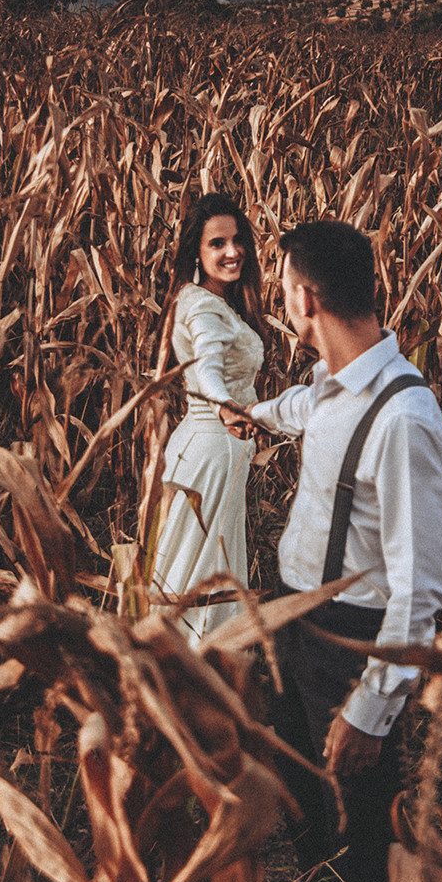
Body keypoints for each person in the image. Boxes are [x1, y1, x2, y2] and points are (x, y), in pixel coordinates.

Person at [220, 220, 442, 882]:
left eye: (284, 286)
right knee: (310, 821)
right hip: (296, 629)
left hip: (349, 647)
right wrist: (252, 416)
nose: (281, 297)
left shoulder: (405, 419)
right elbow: (303, 408)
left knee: (361, 844)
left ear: (305, 296)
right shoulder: (334, 382)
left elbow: (420, 590)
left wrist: (372, 708)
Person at [152, 193, 267, 639]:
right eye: (216, 243)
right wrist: (225, 404)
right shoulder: (201, 306)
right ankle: (198, 668)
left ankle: (179, 667)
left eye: (237, 241)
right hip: (212, 454)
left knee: (193, 562)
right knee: (202, 572)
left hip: (207, 450)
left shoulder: (212, 301)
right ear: (196, 252)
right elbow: (207, 367)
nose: (231, 251)